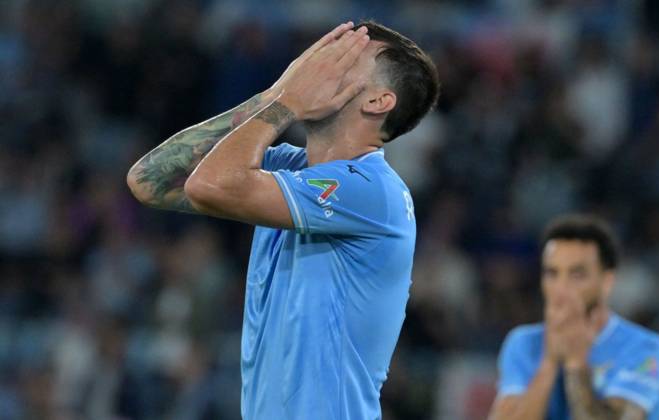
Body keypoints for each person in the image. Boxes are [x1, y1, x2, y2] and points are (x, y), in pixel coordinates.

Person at [126, 20, 440, 419]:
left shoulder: (373, 190)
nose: (314, 69)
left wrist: (285, 103)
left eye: (342, 60)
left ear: (378, 101)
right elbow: (149, 180)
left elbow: (210, 185)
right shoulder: (288, 169)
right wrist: (274, 95)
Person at [489, 215, 659, 420]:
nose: (561, 288)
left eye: (577, 275)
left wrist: (576, 364)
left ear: (607, 281)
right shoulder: (523, 343)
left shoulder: (645, 349)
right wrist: (549, 362)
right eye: (552, 273)